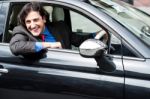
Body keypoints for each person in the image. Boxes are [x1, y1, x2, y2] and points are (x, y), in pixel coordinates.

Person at [9, 2, 96, 59]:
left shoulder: (60, 27)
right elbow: (15, 46)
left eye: (36, 20)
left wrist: (96, 36)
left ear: (44, 19)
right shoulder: (21, 30)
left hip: (67, 67)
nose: (32, 25)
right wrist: (49, 45)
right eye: (28, 22)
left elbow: (80, 40)